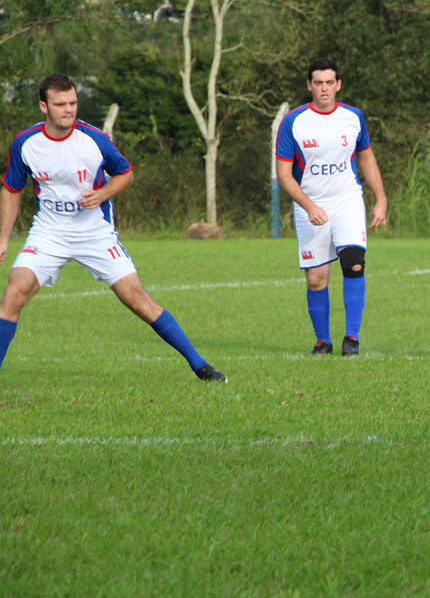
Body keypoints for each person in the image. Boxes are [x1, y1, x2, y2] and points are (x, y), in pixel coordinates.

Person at [0, 74, 226, 381]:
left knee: (137, 300)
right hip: (49, 233)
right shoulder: (26, 143)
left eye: (73, 103)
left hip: (95, 233)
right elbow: (12, 189)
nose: (69, 109)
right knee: (14, 292)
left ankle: (200, 365)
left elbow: (126, 174)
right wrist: (3, 238)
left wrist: (103, 193)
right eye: (60, 104)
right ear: (44, 106)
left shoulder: (93, 139)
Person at [276, 58, 387, 356]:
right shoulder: (293, 122)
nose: (324, 88)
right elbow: (284, 175)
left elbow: (366, 157)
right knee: (316, 279)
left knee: (353, 262)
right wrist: (308, 206)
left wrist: (381, 198)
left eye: (329, 83)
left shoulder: (353, 117)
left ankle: (351, 339)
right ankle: (322, 342)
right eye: (318, 83)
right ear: (309, 85)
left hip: (347, 200)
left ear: (338, 85)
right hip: (310, 205)